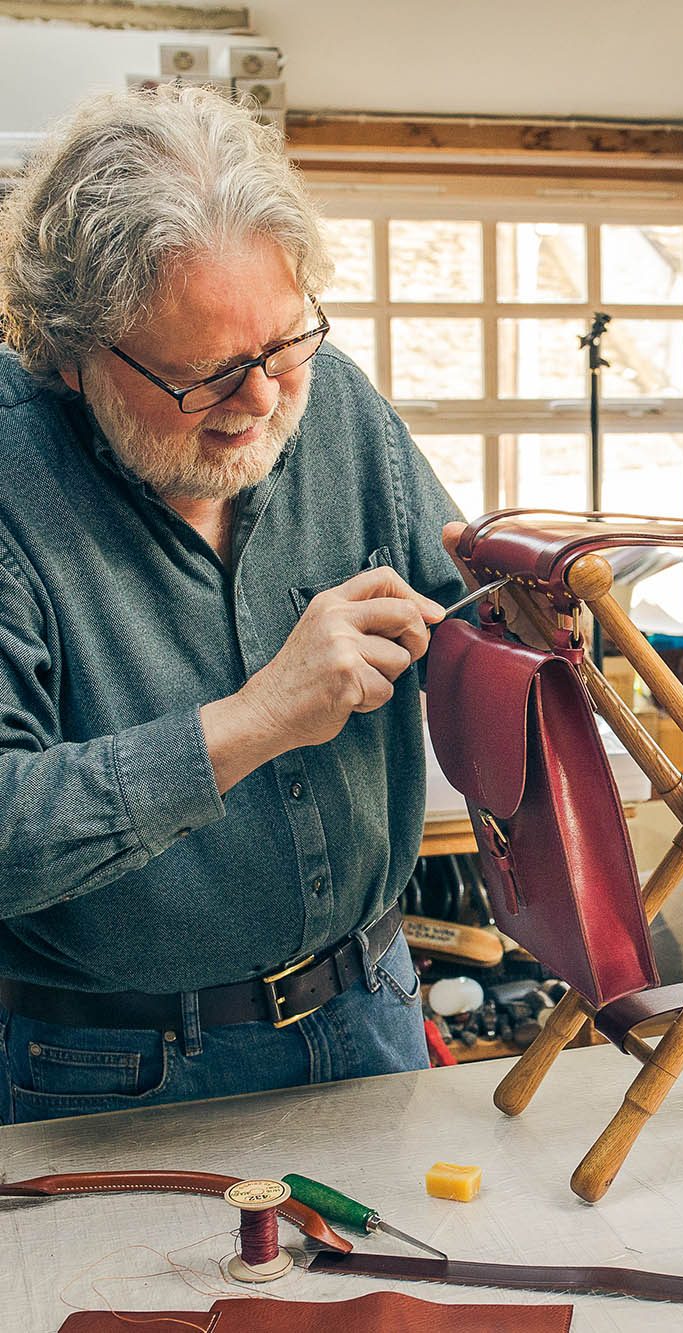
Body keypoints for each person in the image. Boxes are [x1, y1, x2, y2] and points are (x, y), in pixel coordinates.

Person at [0, 87, 475, 1123]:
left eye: (282, 345)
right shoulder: (8, 479)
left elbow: (459, 620)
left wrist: (530, 630)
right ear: (74, 360)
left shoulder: (332, 397)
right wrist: (256, 720)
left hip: (373, 1007)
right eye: (206, 375)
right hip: (110, 1070)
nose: (261, 400)